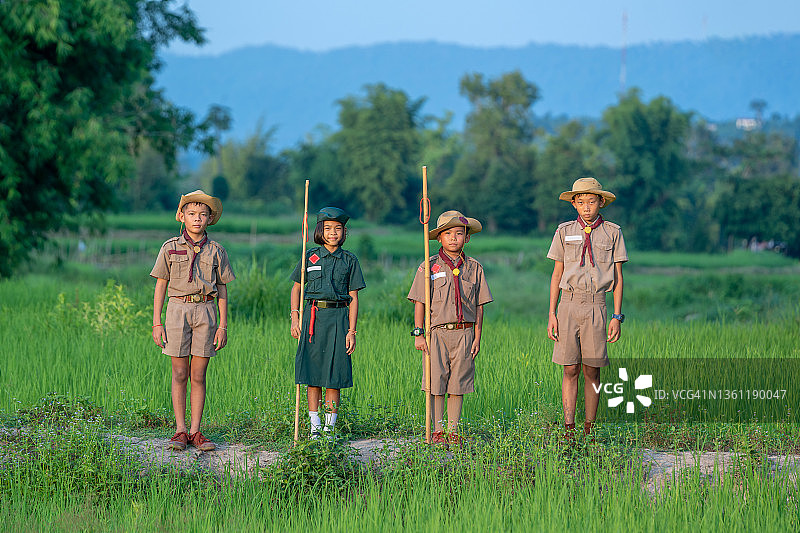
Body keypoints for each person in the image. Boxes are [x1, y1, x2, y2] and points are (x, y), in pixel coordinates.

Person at [151, 190, 235, 452]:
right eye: (192, 214)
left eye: (202, 214)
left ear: (210, 218)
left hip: (206, 312)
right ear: (182, 216)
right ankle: (180, 430)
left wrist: (222, 325)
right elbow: (161, 286)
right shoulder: (169, 247)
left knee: (198, 375)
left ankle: (197, 431)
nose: (197, 219)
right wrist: (157, 322)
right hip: (177, 310)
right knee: (179, 373)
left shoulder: (217, 251)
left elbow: (222, 289)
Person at [546, 177, 627, 441]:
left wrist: (616, 315)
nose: (586, 207)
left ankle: (589, 428)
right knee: (570, 368)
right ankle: (569, 429)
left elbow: (618, 277)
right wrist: (552, 313)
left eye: (591, 201)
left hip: (597, 305)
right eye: (580, 202)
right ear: (574, 204)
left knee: (592, 369)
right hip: (568, 304)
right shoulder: (563, 231)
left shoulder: (613, 232)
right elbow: (557, 274)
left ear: (601, 202)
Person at [408, 210, 493, 446]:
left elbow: (479, 306)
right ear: (439, 238)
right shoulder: (428, 267)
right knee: (436, 382)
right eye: (448, 234)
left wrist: (477, 337)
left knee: (459, 383)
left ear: (467, 238)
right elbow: (419, 303)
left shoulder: (475, 268)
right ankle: (437, 430)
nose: (453, 238)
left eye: (459, 233)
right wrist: (419, 334)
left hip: (465, 332)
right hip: (437, 333)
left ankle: (453, 431)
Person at [290, 207, 365, 439]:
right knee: (313, 376)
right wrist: (295, 316)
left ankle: (329, 429)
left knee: (334, 375)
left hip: (339, 319)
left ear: (344, 232)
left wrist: (352, 331)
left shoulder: (349, 260)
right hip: (313, 318)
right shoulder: (309, 256)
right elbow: (297, 287)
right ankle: (314, 427)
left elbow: (354, 297)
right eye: (328, 228)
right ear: (319, 231)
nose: (333, 233)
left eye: (338, 229)